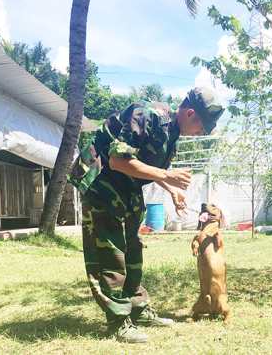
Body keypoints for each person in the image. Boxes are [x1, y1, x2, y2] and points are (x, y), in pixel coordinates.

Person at [69, 87, 224, 343]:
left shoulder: (173, 133)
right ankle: (118, 321)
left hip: (126, 186)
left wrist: (171, 190)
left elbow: (150, 168)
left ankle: (138, 309)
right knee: (110, 251)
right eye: (203, 127)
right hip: (102, 180)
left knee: (133, 247)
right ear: (190, 113)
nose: (201, 133)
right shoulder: (147, 115)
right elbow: (117, 161)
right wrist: (167, 176)